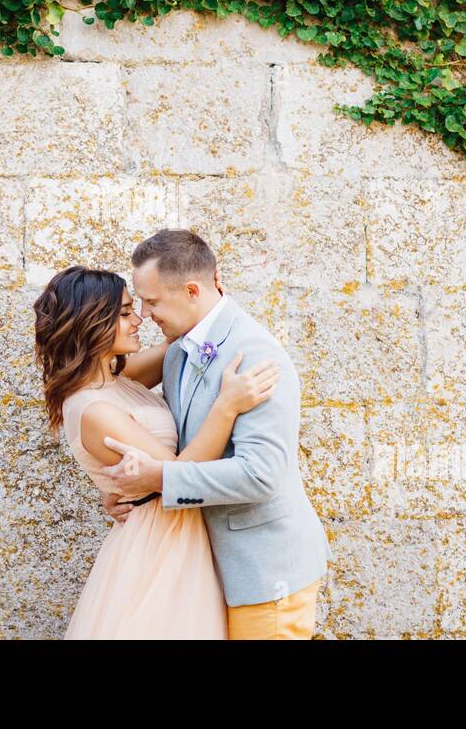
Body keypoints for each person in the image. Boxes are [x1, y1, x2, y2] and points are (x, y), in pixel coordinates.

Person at [99, 229, 332, 639]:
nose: (146, 315)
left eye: (152, 301)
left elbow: (261, 474)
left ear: (191, 290)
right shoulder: (176, 351)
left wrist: (158, 479)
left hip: (262, 571)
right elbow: (169, 440)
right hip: (209, 570)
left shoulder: (255, 355)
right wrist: (126, 489)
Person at [33, 264, 279, 638]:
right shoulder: (94, 409)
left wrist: (210, 298)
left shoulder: (118, 380)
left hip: (177, 530)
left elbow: (177, 340)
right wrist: (227, 406)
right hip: (159, 543)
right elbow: (180, 472)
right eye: (126, 313)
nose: (140, 320)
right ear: (90, 322)